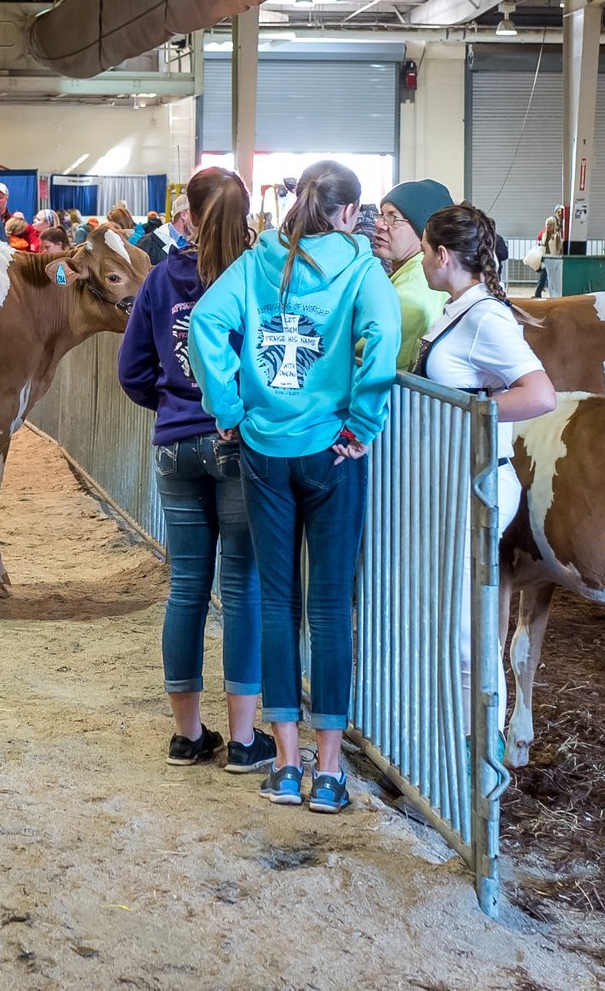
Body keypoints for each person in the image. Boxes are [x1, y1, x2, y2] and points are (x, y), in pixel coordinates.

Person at [189, 160, 400, 813]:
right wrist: (364, 421)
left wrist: (229, 409)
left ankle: (283, 763)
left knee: (277, 601)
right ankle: (330, 772)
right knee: (330, 608)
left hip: (265, 449)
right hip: (331, 450)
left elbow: (204, 327)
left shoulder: (257, 262)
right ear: (347, 213)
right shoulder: (362, 269)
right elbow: (383, 336)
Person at [118, 167, 273, 777]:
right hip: (238, 441)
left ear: (188, 212)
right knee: (241, 586)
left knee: (187, 586)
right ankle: (242, 739)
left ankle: (187, 737)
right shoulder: (260, 277)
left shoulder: (161, 278)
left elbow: (133, 370)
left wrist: (175, 407)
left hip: (175, 445)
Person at [416, 205, 557, 664]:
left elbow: (540, 394)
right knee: (452, 615)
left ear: (442, 255)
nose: (420, 261)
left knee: (462, 629)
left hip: (478, 482)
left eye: (422, 251)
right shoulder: (460, 308)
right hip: (457, 478)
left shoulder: (484, 317)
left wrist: (465, 411)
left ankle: (481, 734)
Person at [371, 179, 450, 372]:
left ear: (422, 229)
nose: (379, 224)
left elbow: (377, 352)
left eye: (393, 218)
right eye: (381, 215)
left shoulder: (415, 286)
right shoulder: (424, 272)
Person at [531, 208, 563, 298]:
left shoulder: (556, 236)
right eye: (548, 224)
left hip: (552, 259)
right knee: (543, 277)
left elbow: (558, 248)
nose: (549, 226)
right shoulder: (543, 234)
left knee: (551, 279)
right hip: (545, 258)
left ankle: (552, 294)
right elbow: (540, 244)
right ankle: (537, 294)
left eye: (551, 225)